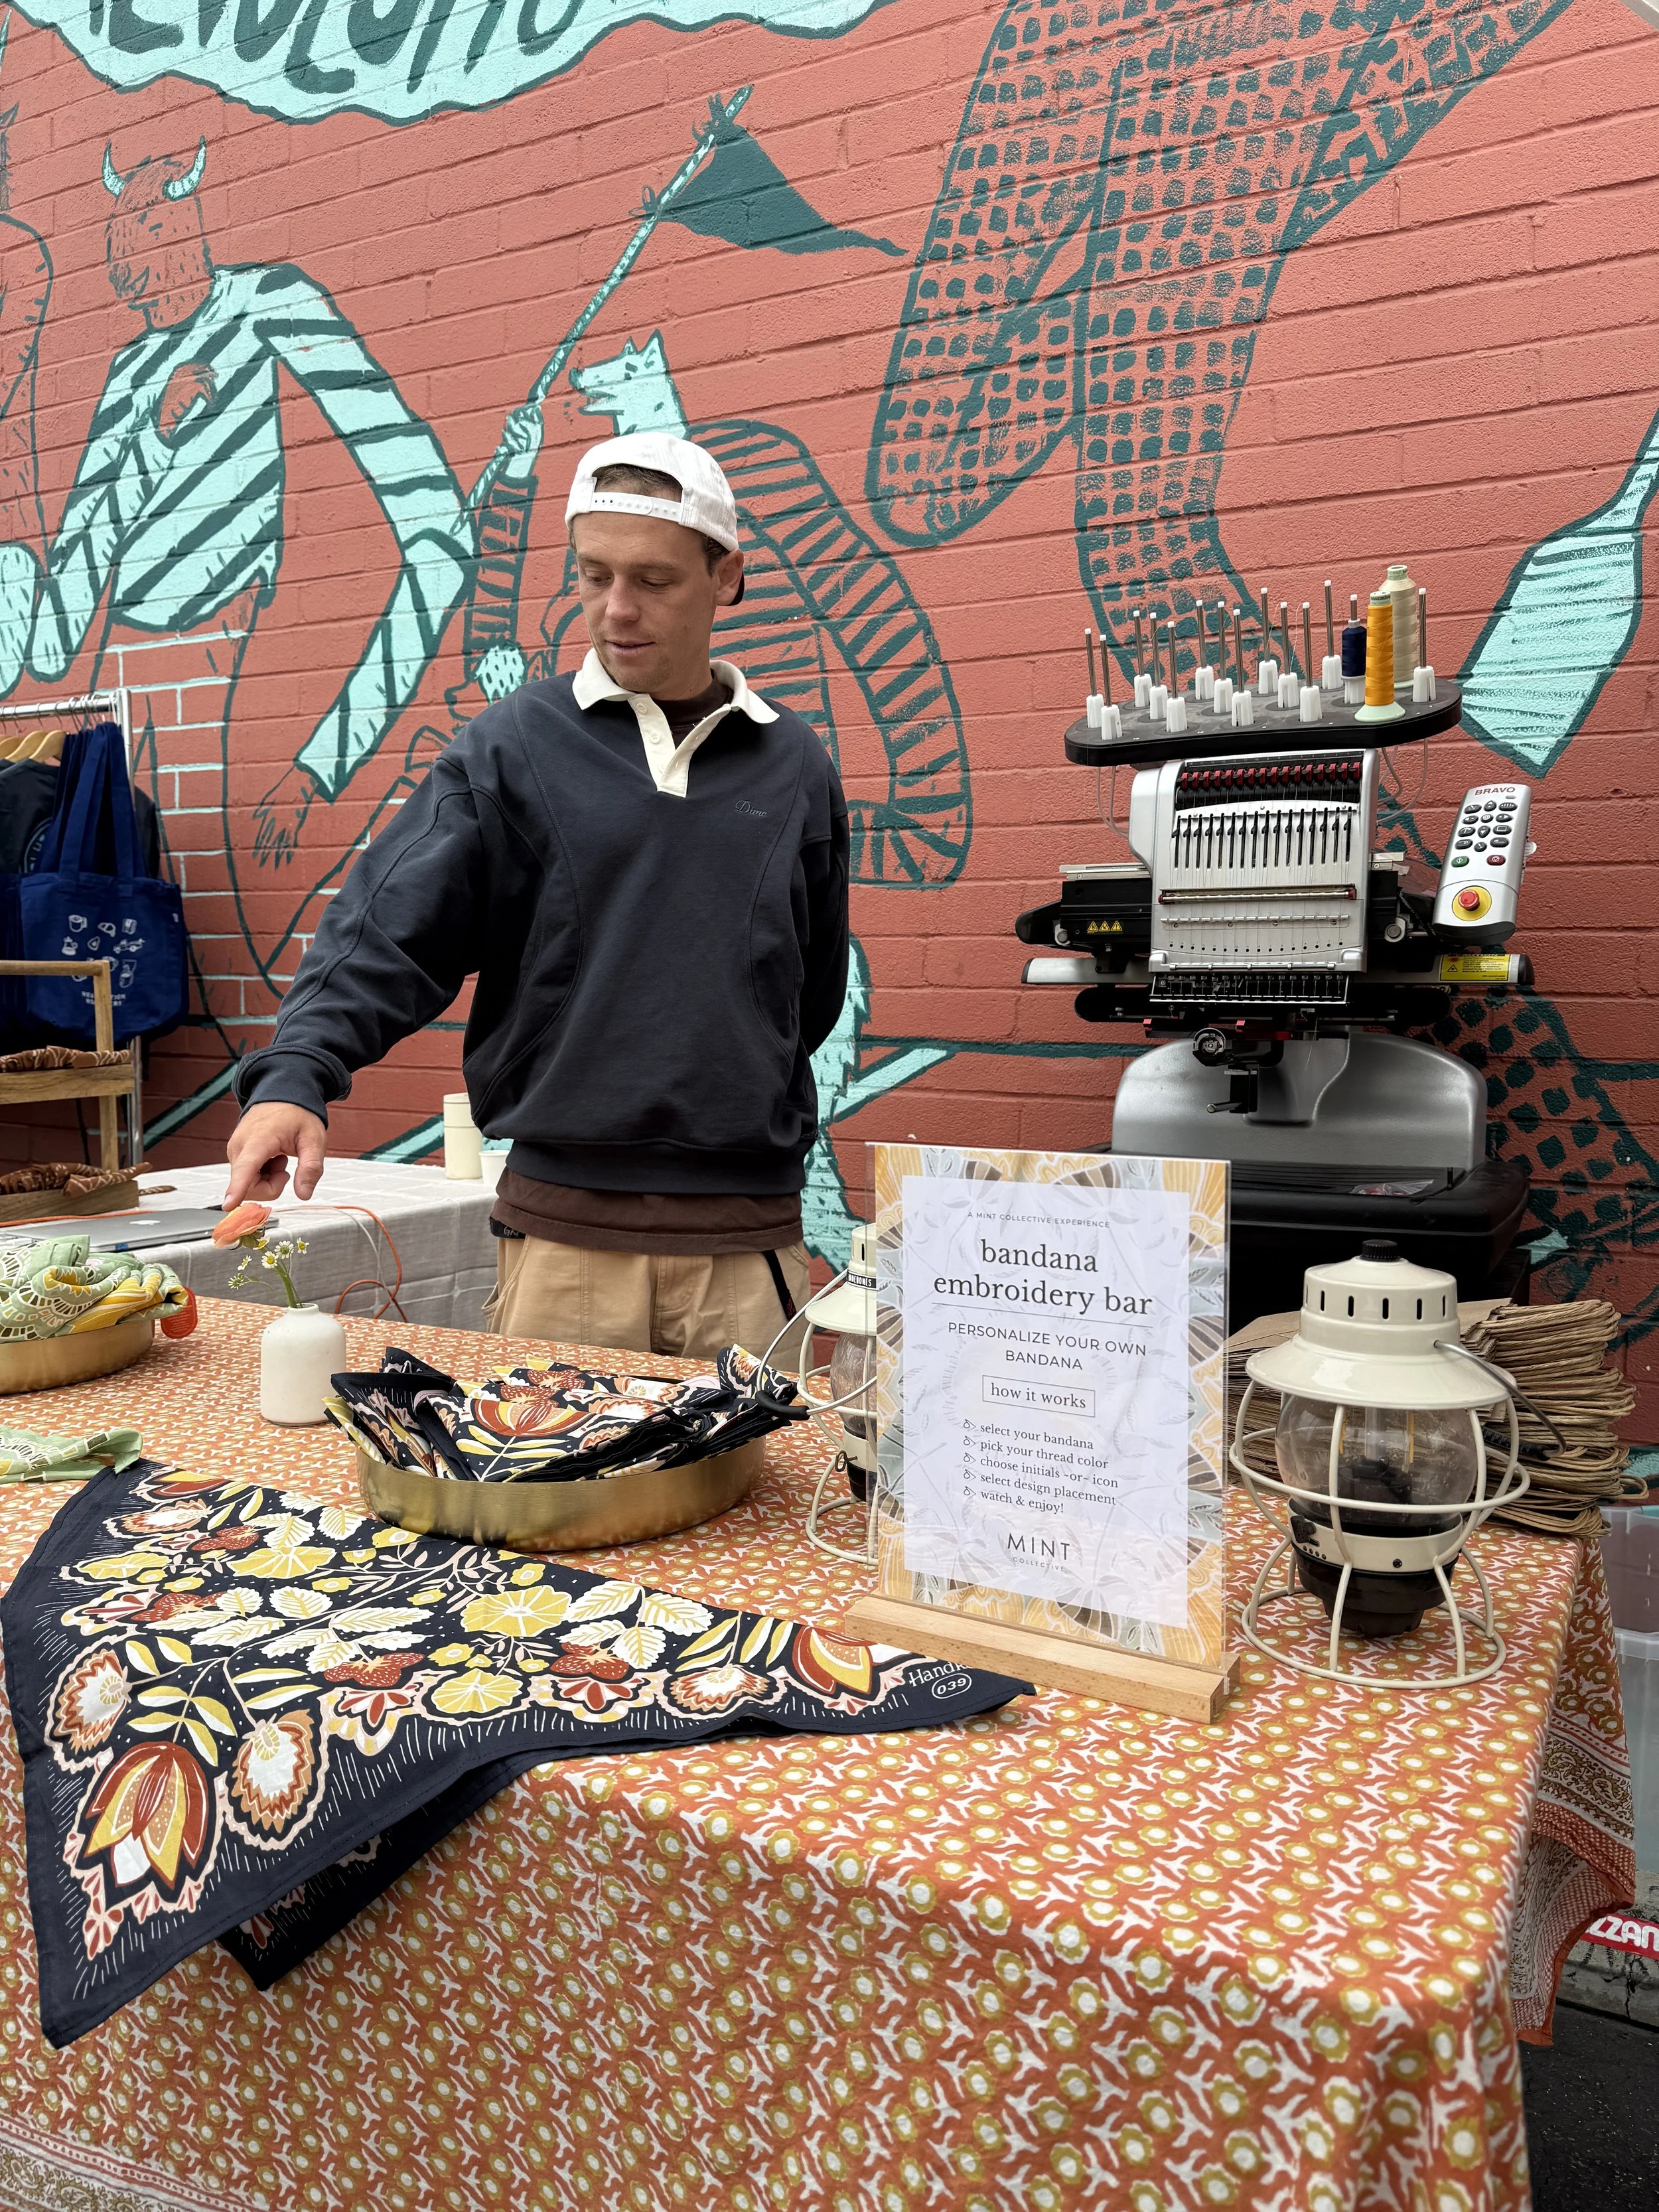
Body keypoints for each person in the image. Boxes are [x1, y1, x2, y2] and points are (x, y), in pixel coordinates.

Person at [224, 431, 849, 1363]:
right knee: (551, 1465)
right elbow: (386, 933)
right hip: (564, 1247)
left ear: (727, 577)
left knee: (759, 1465)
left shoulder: (794, 763)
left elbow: (811, 990)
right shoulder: (512, 747)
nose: (617, 609)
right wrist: (295, 1076)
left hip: (747, 1247)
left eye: (654, 580)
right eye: (594, 576)